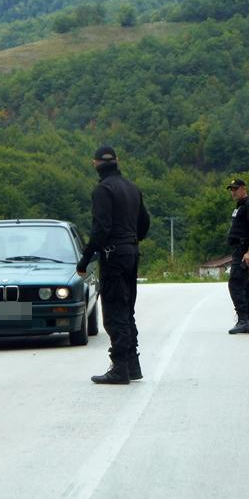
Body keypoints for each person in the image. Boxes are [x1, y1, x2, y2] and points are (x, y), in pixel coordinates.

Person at [77, 146, 151, 385]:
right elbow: (145, 224)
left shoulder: (103, 190)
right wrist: (131, 241)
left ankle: (119, 367)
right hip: (131, 252)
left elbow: (101, 229)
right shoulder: (132, 188)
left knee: (114, 312)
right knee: (127, 308)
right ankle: (132, 364)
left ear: (95, 163)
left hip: (113, 256)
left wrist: (85, 259)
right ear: (117, 162)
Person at [225, 178, 249, 334]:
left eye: (235, 189)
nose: (233, 192)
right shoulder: (240, 207)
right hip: (240, 250)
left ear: (243, 188)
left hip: (244, 251)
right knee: (247, 286)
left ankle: (243, 320)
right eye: (231, 189)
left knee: (235, 283)